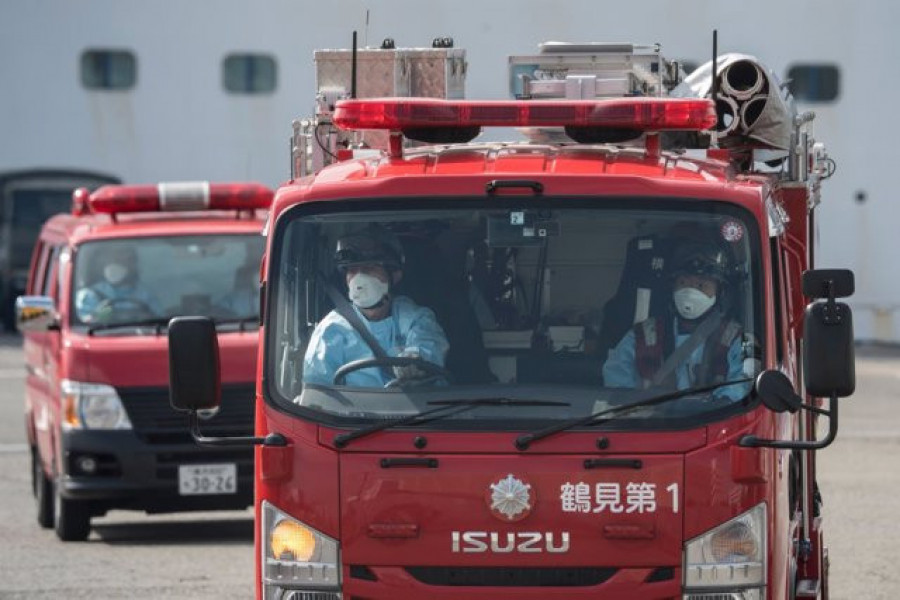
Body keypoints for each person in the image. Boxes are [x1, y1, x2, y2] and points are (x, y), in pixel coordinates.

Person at [302, 227, 450, 387]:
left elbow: (429, 343)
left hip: (419, 410)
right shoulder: (331, 329)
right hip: (356, 412)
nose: (359, 278)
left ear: (394, 274)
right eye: (352, 270)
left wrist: (415, 359)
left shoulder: (414, 316)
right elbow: (316, 392)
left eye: (369, 268)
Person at [602, 240, 748, 400]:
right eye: (683, 283)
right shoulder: (644, 334)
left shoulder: (736, 338)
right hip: (652, 422)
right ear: (672, 288)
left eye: (701, 285)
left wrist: (718, 405)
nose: (690, 292)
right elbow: (616, 382)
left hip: (712, 422)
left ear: (720, 292)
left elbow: (744, 382)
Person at [75, 245, 163, 323]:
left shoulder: (144, 295)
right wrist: (97, 318)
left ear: (133, 265)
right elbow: (81, 326)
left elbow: (159, 320)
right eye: (114, 260)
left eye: (124, 260)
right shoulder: (89, 295)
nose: (116, 264)